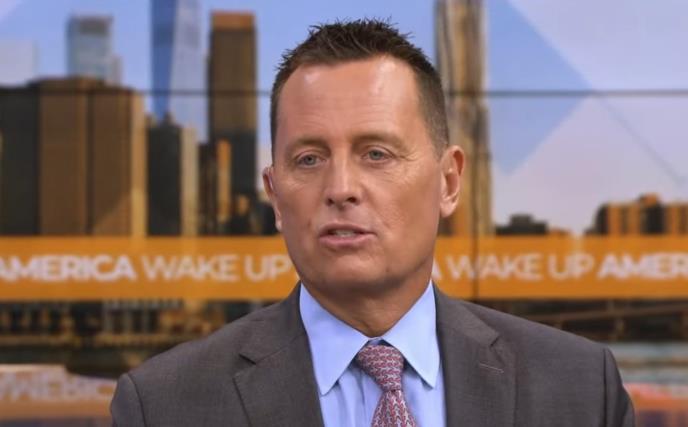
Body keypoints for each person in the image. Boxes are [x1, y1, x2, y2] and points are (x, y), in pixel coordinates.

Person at [110, 19, 634, 426]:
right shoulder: (163, 405)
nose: (341, 188)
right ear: (275, 196)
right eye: (309, 159)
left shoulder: (581, 389)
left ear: (449, 182)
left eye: (376, 153)